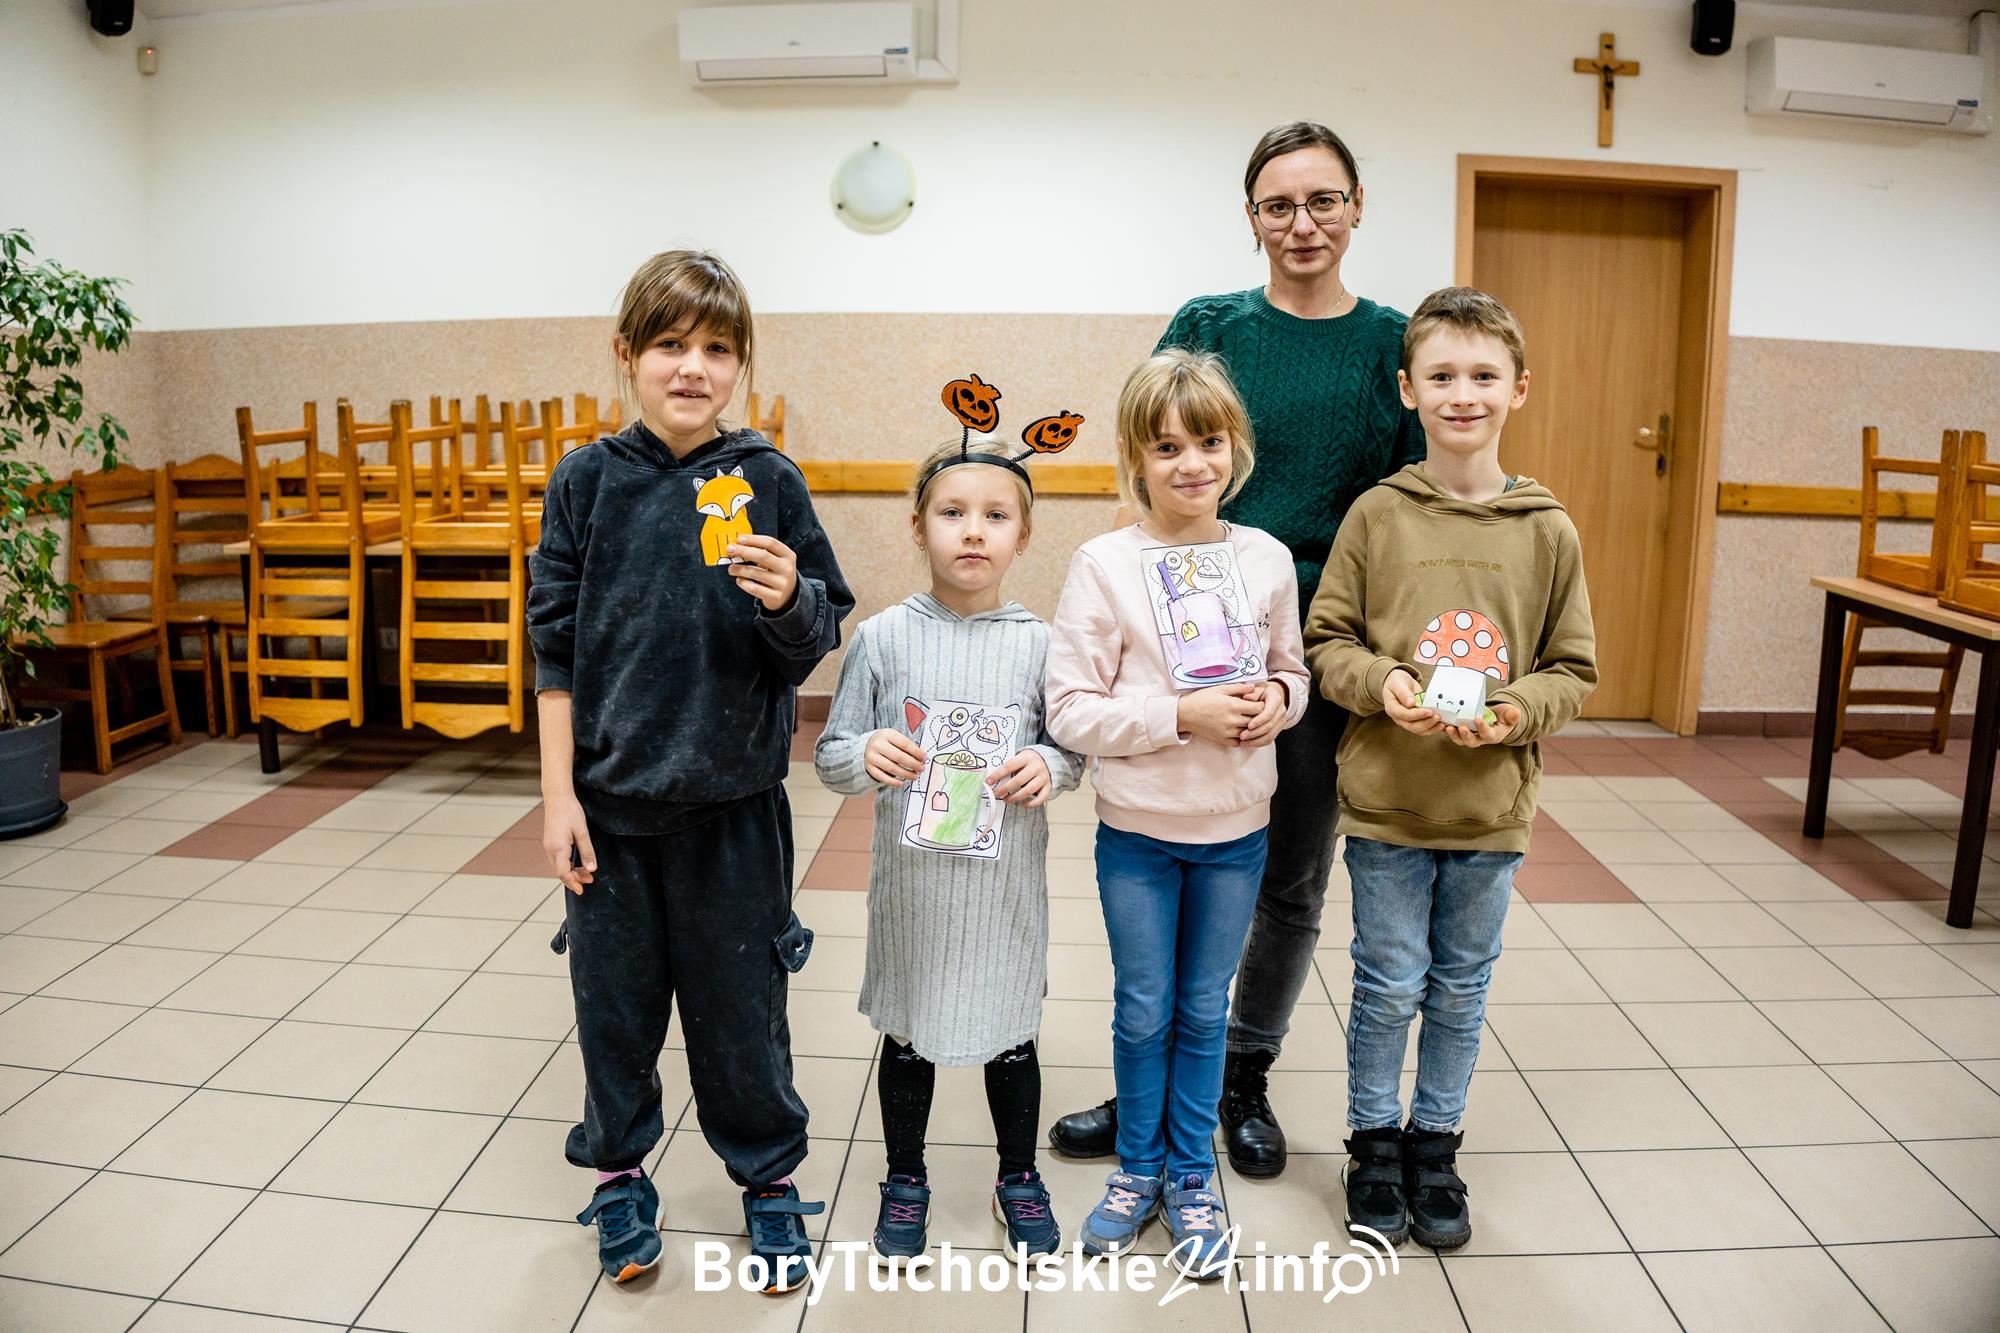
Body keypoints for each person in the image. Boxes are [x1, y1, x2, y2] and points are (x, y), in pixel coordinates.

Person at [1048, 120, 1424, 1178]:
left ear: (1356, 207)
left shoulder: (1390, 344)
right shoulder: (1209, 324)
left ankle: (1240, 1074)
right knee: (1161, 865)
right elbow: (1155, 443)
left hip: (1310, 648)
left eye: (1323, 200)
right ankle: (1151, 1083)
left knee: (1289, 876)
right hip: (1178, 647)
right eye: (1277, 204)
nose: (1302, 223)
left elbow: (1406, 504)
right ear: (1250, 217)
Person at [528, 249, 854, 1294]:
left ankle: (768, 1177)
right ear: (627, 353)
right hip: (611, 814)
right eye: (669, 344)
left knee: (741, 1014)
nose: (692, 367)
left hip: (734, 813)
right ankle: (619, 1173)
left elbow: (814, 638)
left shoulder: (766, 479)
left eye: (716, 348)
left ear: (740, 364)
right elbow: (552, 652)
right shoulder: (585, 482)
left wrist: (787, 598)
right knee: (614, 1012)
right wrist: (558, 798)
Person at [1306, 286, 1596, 1250]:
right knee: (1389, 981)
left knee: (1463, 986)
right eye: (1441, 376)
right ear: (1408, 389)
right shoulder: (1377, 515)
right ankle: (1372, 1143)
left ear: (1519, 389)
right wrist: (1382, 682)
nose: (1462, 394)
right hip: (1388, 800)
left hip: (1488, 807)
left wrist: (1516, 712)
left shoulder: (1547, 530)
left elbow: (1573, 669)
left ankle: (1436, 1144)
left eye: (1482, 375)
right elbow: (1329, 641)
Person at [1045, 348, 1309, 1278]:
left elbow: (1293, 671)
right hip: (1139, 837)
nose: (1192, 463)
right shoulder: (1104, 564)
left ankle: (1192, 1174)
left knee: (1203, 1010)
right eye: (1166, 447)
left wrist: (1280, 701)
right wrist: (1179, 716)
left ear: (1236, 447)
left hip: (1236, 833)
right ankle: (1138, 1168)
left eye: (1209, 442)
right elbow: (1070, 710)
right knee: (1144, 1007)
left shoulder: (1266, 558)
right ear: (1135, 458)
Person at [813, 433, 1082, 1264]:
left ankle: (1017, 1175)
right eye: (952, 513)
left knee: (1012, 1036)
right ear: (918, 526)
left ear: (1023, 536)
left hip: (1003, 893)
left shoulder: (1042, 644)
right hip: (915, 892)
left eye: (996, 516)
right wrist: (866, 753)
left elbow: (1072, 750)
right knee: (908, 1036)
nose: (973, 531)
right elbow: (831, 752)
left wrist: (1048, 765)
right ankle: (906, 1177)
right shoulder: (884, 637)